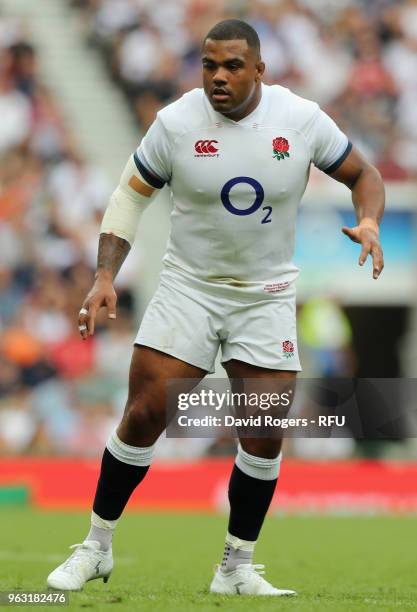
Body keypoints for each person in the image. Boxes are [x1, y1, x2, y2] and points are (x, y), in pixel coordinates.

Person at [47, 19, 385, 595]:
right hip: (190, 287)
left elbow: (364, 174)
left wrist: (371, 218)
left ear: (260, 69)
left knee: (263, 430)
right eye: (209, 66)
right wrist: (105, 275)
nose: (218, 77)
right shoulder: (176, 122)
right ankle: (95, 547)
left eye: (232, 66)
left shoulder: (299, 118)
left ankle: (235, 567)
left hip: (267, 292)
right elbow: (130, 196)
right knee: (146, 412)